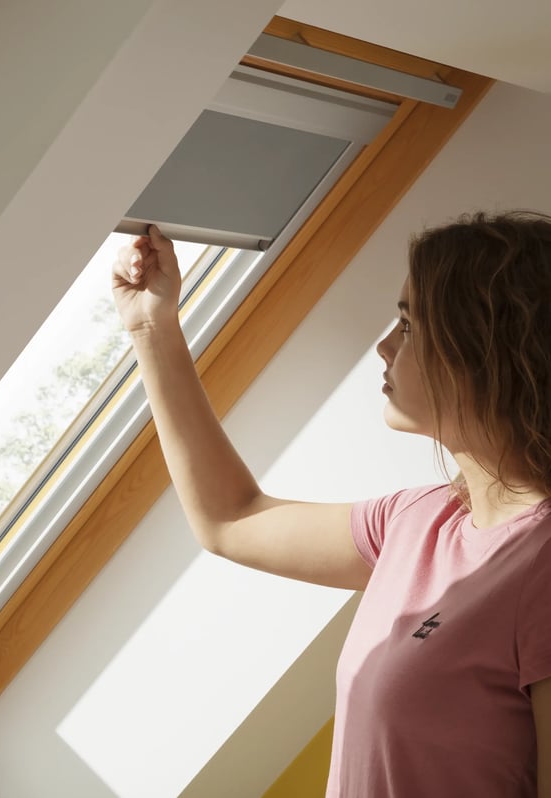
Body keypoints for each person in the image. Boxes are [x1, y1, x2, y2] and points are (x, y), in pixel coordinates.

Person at [112, 212, 551, 797]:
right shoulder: (418, 521)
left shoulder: (540, 568)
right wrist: (152, 327)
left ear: (489, 351)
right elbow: (231, 519)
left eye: (409, 326)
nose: (384, 347)